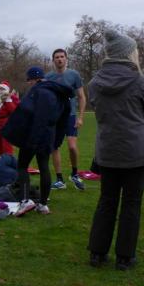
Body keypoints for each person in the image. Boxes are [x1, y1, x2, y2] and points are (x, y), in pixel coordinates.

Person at [87, 30, 144, 270]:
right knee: (131, 203)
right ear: (128, 54)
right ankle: (125, 257)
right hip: (136, 150)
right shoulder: (139, 82)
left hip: (107, 149)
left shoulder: (95, 83)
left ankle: (97, 252)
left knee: (107, 200)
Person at [0, 66, 72, 216]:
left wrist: (32, 139)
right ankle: (43, 204)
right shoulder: (57, 92)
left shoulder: (39, 92)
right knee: (44, 167)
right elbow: (63, 118)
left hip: (34, 134)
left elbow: (36, 116)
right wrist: (57, 138)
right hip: (49, 135)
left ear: (33, 79)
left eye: (29, 81)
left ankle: (25, 201)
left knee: (22, 166)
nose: (29, 84)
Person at [46, 49, 86, 190]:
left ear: (66, 59)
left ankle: (74, 174)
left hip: (70, 116)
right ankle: (59, 180)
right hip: (55, 117)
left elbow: (81, 97)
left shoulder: (74, 75)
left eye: (62, 57)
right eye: (57, 57)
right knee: (54, 147)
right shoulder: (48, 77)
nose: (60, 59)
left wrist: (80, 117)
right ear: (53, 60)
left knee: (72, 147)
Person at [0, 81, 18, 156]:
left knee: (7, 148)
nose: (0, 90)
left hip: (6, 127)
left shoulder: (11, 99)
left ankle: (8, 161)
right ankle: (3, 161)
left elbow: (13, 111)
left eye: (2, 89)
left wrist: (7, 100)